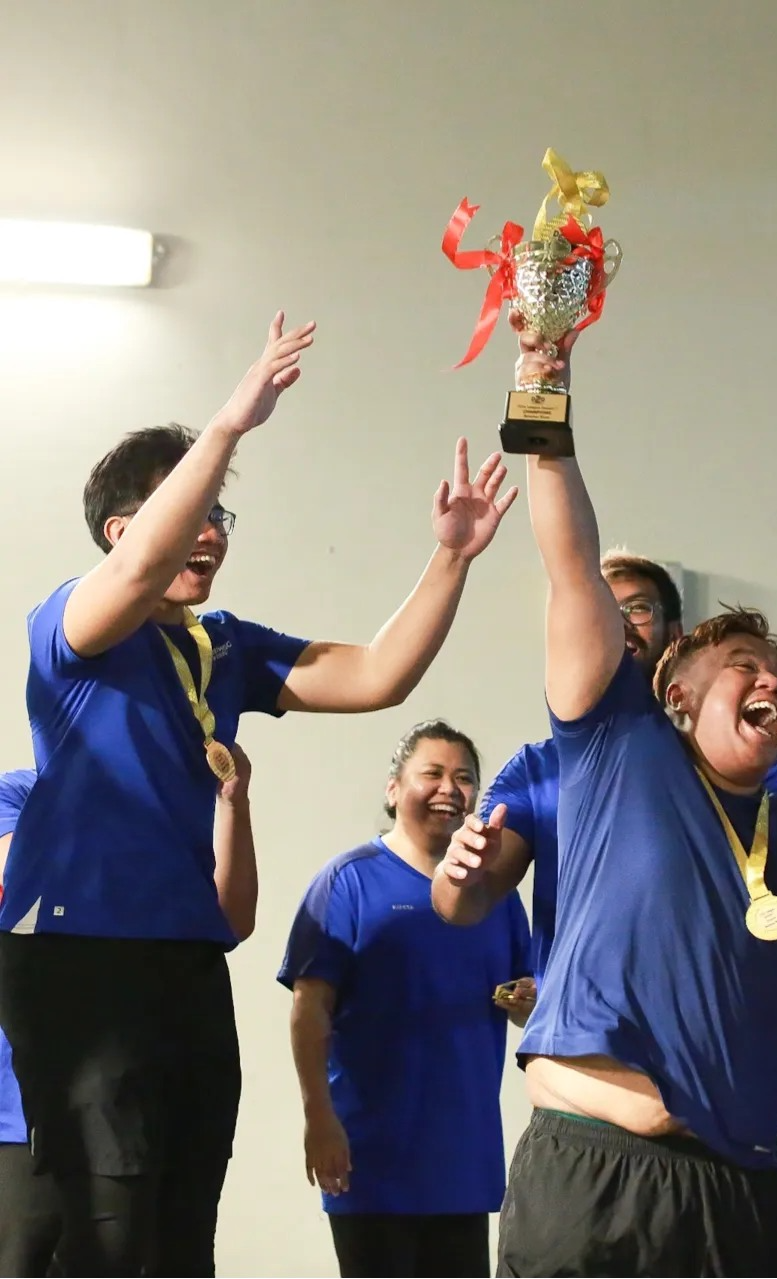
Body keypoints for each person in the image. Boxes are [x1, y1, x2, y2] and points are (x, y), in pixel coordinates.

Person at [0, 313, 518, 1277]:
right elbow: (137, 570)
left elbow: (373, 676)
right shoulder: (69, 623)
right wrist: (227, 427)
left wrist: (451, 557)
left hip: (185, 966)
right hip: (77, 959)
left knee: (184, 1231)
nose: (210, 532)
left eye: (220, 518)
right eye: (191, 511)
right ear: (124, 527)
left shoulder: (221, 645)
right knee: (107, 1235)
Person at [442, 321, 777, 1278]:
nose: (770, 683)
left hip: (737, 1179)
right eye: (743, 666)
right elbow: (570, 558)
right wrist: (543, 382)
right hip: (600, 1166)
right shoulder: (617, 746)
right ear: (674, 694)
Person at [432, 547, 777, 983]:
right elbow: (464, 903)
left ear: (675, 633)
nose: (619, 622)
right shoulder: (537, 771)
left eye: (638, 608)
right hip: (582, 1041)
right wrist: (457, 874)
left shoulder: (750, 767)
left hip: (712, 1039)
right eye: (605, 609)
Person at [279, 721, 531, 1279]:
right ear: (394, 789)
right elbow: (308, 1009)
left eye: (464, 778)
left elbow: (530, 999)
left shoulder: (496, 894)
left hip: (462, 1161)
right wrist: (319, 1117)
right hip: (370, 1160)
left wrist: (526, 1001)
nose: (450, 788)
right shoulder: (347, 882)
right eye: (433, 774)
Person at [0, 748, 260, 1278]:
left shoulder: (176, 809)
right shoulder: (18, 793)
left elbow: (231, 921)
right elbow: (31, 894)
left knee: (173, 1257)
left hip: (161, 1084)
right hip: (37, 1103)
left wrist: (232, 804)